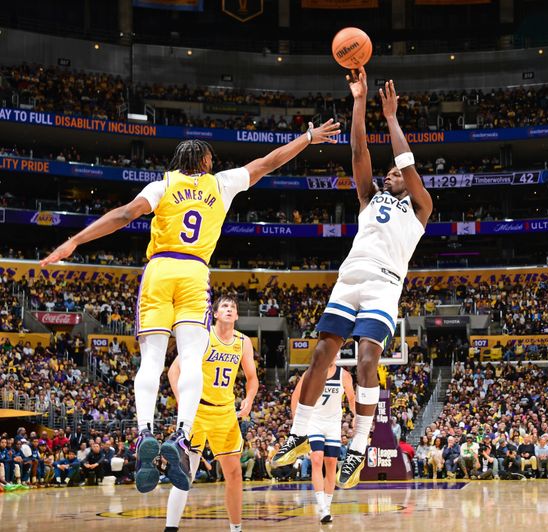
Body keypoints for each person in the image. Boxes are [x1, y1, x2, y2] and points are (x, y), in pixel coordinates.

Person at [41, 123, 339, 494]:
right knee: (193, 360)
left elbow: (123, 215)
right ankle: (182, 435)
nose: (215, 162)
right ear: (203, 161)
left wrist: (75, 241)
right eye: (211, 158)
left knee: (151, 361)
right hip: (194, 272)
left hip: (159, 270)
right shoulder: (221, 183)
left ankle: (144, 432)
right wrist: (308, 139)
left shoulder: (162, 185)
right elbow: (269, 162)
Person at [272, 69, 432, 490]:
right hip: (349, 279)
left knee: (365, 360)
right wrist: (359, 100)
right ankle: (298, 433)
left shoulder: (420, 207)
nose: (391, 174)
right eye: (390, 174)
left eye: (397, 175)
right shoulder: (368, 197)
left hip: (383, 284)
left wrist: (392, 119)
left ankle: (358, 447)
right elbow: (358, 148)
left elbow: (406, 164)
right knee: (323, 354)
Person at [164, 295, 259, 532]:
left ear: (237, 316)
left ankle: (236, 529)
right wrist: (182, 401)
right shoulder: (203, 336)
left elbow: (252, 378)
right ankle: (170, 528)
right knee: (186, 472)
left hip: (226, 414)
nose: (229, 309)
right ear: (215, 314)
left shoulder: (243, 342)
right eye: (224, 306)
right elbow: (173, 372)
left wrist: (249, 398)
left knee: (234, 473)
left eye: (233, 307)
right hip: (198, 410)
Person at [290, 358, 355, 523]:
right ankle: (322, 507)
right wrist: (297, 423)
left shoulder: (344, 375)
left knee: (331, 463)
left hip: (333, 424)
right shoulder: (310, 373)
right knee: (316, 458)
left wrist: (356, 415)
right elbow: (295, 396)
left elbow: (352, 398)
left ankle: (327, 506)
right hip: (314, 421)